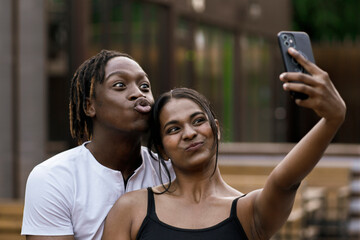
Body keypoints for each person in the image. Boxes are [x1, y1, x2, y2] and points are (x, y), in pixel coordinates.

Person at [102, 47, 346, 240]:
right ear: (163, 149)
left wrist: (332, 119)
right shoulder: (132, 210)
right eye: (174, 129)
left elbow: (285, 181)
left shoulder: (247, 211)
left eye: (198, 121)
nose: (189, 133)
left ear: (216, 130)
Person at [21, 50, 174, 240]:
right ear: (89, 106)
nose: (138, 93)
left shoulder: (170, 172)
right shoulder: (53, 178)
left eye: (144, 86)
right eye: (120, 85)